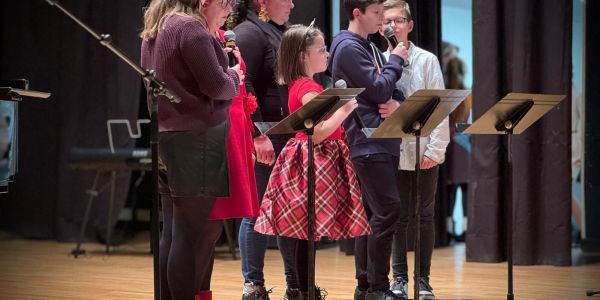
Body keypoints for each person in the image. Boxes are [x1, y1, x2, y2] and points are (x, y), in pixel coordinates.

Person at [253, 23, 371, 300]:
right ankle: (306, 290)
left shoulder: (309, 84)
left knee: (306, 231)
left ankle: (306, 289)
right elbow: (315, 133)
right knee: (305, 230)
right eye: (321, 49)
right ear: (304, 56)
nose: (327, 53)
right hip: (313, 159)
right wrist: (344, 110)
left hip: (316, 158)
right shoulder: (307, 87)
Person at [140, 0, 242, 299]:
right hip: (196, 138)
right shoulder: (191, 29)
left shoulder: (159, 26)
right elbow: (218, 87)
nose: (230, 8)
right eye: (226, 2)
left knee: (175, 231)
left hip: (169, 135)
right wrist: (235, 76)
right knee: (189, 234)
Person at [328, 0, 408, 299]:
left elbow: (391, 91)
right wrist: (396, 60)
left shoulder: (369, 46)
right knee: (388, 211)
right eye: (376, 14)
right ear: (357, 13)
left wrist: (397, 103)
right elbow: (377, 89)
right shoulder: (348, 47)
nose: (382, 20)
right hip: (367, 139)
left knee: (372, 214)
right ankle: (377, 286)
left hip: (381, 139)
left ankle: (365, 286)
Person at [229, 1, 300, 299]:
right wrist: (258, 134)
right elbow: (244, 85)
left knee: (291, 213)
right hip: (266, 135)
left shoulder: (278, 32)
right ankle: (253, 286)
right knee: (255, 212)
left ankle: (295, 286)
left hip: (287, 133)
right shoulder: (249, 32)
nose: (292, 3)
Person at [381, 1, 450, 299]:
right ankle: (399, 279)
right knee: (398, 216)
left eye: (399, 20)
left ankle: (422, 279)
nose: (394, 26)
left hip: (424, 149)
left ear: (410, 25)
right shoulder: (379, 60)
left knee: (424, 216)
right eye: (388, 21)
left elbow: (441, 108)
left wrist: (435, 149)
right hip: (394, 151)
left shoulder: (427, 60)